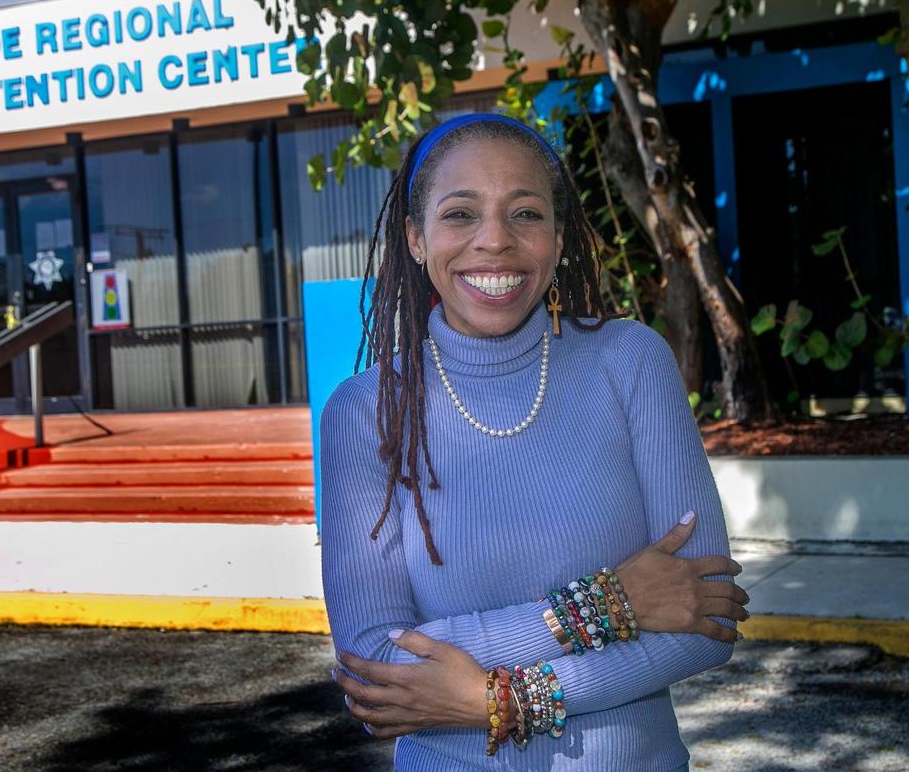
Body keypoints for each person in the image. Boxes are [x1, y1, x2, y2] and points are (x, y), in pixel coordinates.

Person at [319, 113, 749, 772]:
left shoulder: (630, 362)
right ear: (414, 237)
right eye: (460, 214)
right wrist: (608, 605)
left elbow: (706, 620)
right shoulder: (364, 412)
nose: (495, 241)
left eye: (525, 213)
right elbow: (379, 664)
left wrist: (500, 700)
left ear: (557, 237)